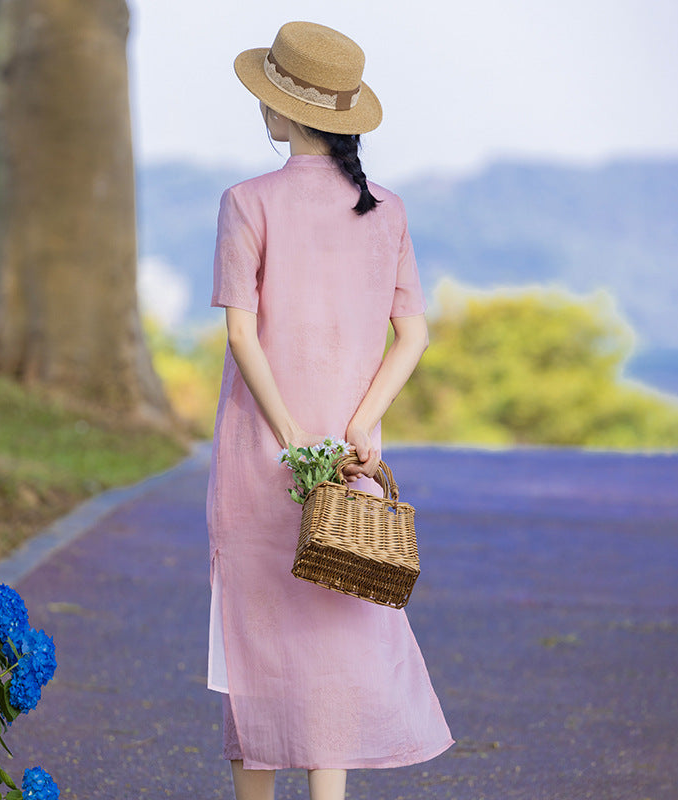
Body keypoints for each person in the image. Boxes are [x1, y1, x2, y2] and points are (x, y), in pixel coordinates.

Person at [206, 21, 454, 800]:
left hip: (260, 458)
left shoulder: (247, 201)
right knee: (336, 640)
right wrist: (357, 427)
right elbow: (412, 335)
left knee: (254, 644)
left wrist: (285, 432)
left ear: (286, 110)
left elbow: (241, 331)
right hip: (351, 468)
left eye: (265, 95)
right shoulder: (389, 209)